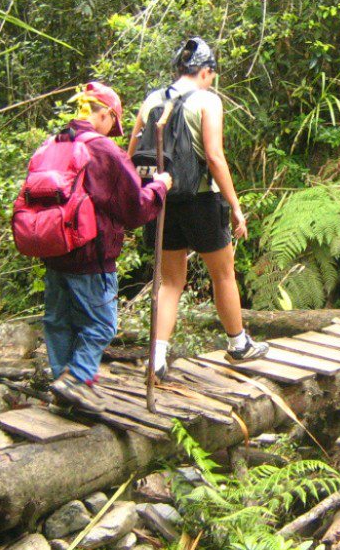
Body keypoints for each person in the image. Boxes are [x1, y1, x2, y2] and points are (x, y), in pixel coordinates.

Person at [128, 37, 268, 379]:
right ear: (206, 72)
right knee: (223, 273)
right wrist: (235, 206)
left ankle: (156, 359)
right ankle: (238, 345)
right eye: (212, 74)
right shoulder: (208, 101)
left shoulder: (151, 100)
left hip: (162, 198)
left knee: (170, 282)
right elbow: (215, 157)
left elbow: (131, 152)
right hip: (202, 198)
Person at [44, 82, 172, 412]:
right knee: (101, 324)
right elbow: (135, 209)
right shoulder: (103, 150)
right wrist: (159, 187)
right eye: (111, 124)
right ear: (104, 114)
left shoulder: (53, 144)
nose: (112, 132)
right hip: (91, 254)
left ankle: (64, 388)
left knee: (59, 322)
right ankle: (77, 379)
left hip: (53, 251)